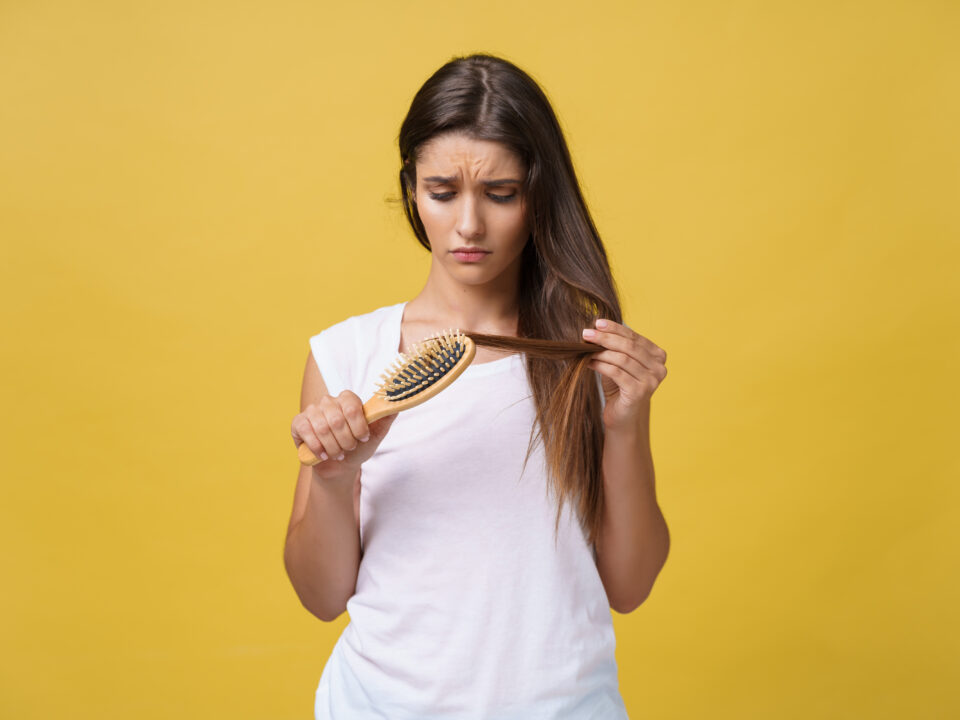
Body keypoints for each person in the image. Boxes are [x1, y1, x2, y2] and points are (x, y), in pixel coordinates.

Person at [284, 52, 670, 720]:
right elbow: (321, 598)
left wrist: (626, 424)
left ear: (537, 193)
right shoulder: (348, 354)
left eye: (501, 194)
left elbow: (630, 586)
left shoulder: (585, 356)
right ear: (410, 189)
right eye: (442, 192)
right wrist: (333, 478)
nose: (468, 226)